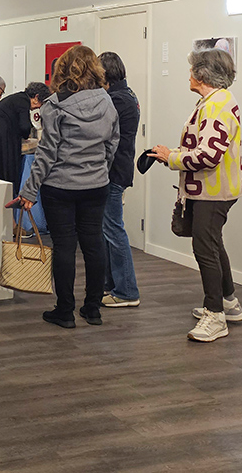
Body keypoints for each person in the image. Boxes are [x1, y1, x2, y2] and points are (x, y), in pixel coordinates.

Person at [19, 45, 119, 329]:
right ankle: (92, 309)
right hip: (96, 184)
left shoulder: (54, 105)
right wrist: (100, 168)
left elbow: (46, 154)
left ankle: (64, 311)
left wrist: (29, 190)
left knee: (64, 246)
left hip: (60, 186)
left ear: (62, 70)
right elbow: (113, 142)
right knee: (94, 243)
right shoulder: (106, 101)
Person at [152, 48, 242, 343]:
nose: (189, 74)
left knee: (205, 248)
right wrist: (172, 153)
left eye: (192, 69)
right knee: (213, 243)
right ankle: (228, 303)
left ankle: (215, 315)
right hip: (215, 188)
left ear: (202, 75)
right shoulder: (218, 100)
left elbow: (208, 155)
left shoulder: (216, 106)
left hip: (212, 190)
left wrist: (171, 158)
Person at [99, 52, 141, 308]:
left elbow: (104, 136)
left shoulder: (116, 100)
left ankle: (126, 290)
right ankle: (113, 285)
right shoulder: (128, 95)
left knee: (114, 231)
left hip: (114, 171)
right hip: (119, 169)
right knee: (108, 230)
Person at [0, 81, 51, 195]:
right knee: (0, 169)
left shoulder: (18, 98)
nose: (39, 107)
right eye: (41, 103)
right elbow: (24, 127)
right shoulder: (23, 102)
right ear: (36, 97)